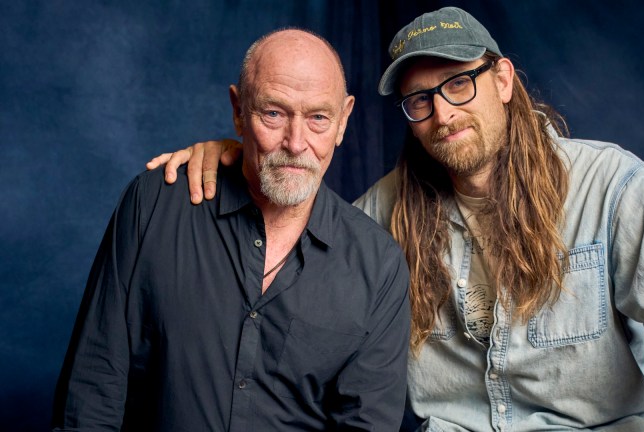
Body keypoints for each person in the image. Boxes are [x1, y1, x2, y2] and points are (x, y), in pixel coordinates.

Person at [151, 7, 644, 431]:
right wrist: (238, 162)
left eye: (459, 84)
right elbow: (291, 235)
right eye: (421, 99)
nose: (442, 114)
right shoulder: (380, 218)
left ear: (503, 80)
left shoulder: (611, 187)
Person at [53, 29, 411, 431]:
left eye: (318, 119)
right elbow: (91, 395)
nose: (296, 143)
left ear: (343, 120)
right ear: (238, 110)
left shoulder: (378, 266)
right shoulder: (152, 206)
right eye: (273, 113)